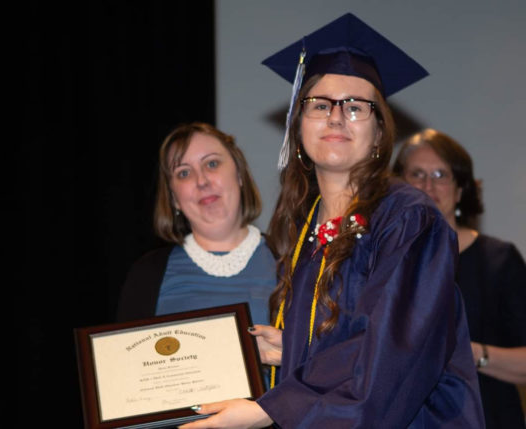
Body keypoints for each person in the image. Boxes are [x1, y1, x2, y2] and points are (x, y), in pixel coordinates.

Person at [180, 13, 484, 428]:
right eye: (319, 105)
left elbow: (397, 353)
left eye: (356, 107)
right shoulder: (307, 228)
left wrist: (269, 409)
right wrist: (297, 350)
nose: (336, 117)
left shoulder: (409, 219)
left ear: (379, 133)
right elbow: (355, 338)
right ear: (298, 125)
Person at [393, 128, 526, 428]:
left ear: (461, 189)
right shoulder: (384, 262)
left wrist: (470, 353)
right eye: (417, 174)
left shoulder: (499, 260)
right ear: (398, 185)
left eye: (441, 175)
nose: (428, 186)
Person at [115, 122, 276, 328]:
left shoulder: (293, 263)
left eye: (212, 164)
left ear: (238, 174)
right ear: (174, 198)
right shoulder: (145, 275)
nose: (201, 181)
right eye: (184, 173)